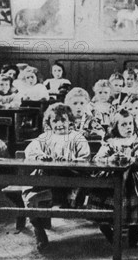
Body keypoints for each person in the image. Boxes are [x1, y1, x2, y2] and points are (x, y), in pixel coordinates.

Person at [21, 103, 91, 251]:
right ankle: (38, 229)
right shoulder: (44, 137)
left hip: (69, 180)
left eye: (63, 120)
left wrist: (68, 162)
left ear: (70, 122)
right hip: (46, 179)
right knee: (29, 195)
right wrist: (43, 157)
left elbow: (85, 159)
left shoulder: (76, 137)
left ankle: (62, 199)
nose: (59, 124)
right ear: (49, 123)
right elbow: (30, 152)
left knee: (69, 185)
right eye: (55, 121)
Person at [89, 109, 138, 248]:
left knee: (137, 198)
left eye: (130, 124)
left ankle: (134, 230)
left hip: (133, 177)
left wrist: (133, 159)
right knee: (105, 196)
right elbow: (97, 160)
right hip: (114, 177)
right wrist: (110, 159)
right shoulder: (110, 143)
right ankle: (106, 227)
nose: (128, 127)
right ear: (115, 128)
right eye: (124, 125)